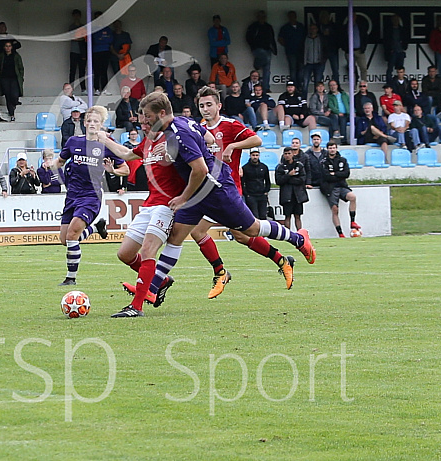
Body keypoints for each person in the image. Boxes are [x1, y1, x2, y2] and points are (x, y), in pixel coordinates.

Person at [113, 92, 315, 317]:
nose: (145, 121)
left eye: (148, 116)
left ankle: (298, 239)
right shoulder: (184, 122)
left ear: (162, 113)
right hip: (197, 193)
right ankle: (152, 289)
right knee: (175, 237)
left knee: (251, 229)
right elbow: (209, 139)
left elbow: (201, 170)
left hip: (215, 190)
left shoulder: (179, 134)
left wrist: (183, 197)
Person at [192, 86, 296, 296]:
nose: (205, 109)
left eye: (209, 105)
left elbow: (257, 140)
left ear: (219, 106)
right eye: (202, 105)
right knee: (217, 233)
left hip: (228, 190)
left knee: (243, 233)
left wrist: (233, 146)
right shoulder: (198, 128)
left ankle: (285, 253)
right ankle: (225, 271)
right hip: (209, 191)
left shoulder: (229, 125)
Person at [96, 108, 182, 316]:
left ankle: (136, 307)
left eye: (147, 123)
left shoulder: (173, 139)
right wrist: (105, 139)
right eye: (141, 124)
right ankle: (159, 280)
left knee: (148, 251)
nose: (144, 127)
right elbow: (126, 153)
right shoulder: (147, 144)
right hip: (149, 203)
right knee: (124, 254)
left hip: (167, 205)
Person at [52, 105, 129, 286]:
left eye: (96, 121)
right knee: (64, 239)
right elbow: (61, 160)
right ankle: (96, 228)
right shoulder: (73, 142)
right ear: (84, 123)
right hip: (72, 196)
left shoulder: (106, 145)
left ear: (102, 124)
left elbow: (125, 169)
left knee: (72, 235)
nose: (92, 124)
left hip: (91, 196)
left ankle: (71, 278)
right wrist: (50, 164)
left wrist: (113, 171)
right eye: (90, 120)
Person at [320, 142, 360, 238]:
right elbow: (326, 176)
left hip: (342, 186)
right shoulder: (324, 162)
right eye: (330, 148)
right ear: (327, 149)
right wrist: (338, 175)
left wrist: (335, 174)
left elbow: (346, 174)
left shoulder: (342, 160)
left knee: (352, 197)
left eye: (334, 148)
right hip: (330, 188)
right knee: (335, 210)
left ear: (336, 148)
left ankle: (353, 221)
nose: (332, 149)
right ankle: (340, 233)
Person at [276, 146, 308, 230]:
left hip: (297, 195)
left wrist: (289, 179)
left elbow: (302, 179)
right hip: (286, 195)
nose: (287, 155)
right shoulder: (280, 167)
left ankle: (300, 234)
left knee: (298, 216)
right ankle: (288, 235)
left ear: (293, 154)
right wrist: (289, 175)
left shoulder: (299, 165)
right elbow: (278, 181)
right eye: (285, 154)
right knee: (287, 216)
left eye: (289, 153)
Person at [245, 10, 277, 92]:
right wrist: (253, 45)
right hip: (257, 49)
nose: (262, 18)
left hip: (267, 49)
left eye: (263, 16)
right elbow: (248, 37)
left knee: (267, 70)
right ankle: (257, 64)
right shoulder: (253, 26)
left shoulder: (268, 26)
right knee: (266, 59)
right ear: (257, 17)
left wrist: (274, 49)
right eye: (260, 16)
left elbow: (272, 38)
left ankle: (266, 88)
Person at [278, 11, 306, 90]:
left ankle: (299, 85)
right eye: (290, 16)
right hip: (291, 52)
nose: (292, 17)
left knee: (301, 69)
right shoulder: (285, 27)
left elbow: (306, 38)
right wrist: (288, 45)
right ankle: (294, 87)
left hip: (301, 52)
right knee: (293, 69)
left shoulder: (301, 26)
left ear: (296, 16)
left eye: (293, 16)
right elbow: (280, 39)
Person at [241, 147, 271, 220]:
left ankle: (263, 231)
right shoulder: (245, 168)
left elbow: (267, 181)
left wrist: (266, 191)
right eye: (253, 155)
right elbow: (242, 182)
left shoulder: (264, 167)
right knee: (255, 216)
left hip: (262, 195)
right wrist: (247, 194)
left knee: (263, 216)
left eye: (256, 155)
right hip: (251, 195)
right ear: (250, 156)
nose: (255, 157)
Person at [0, 41, 24, 122]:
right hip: (5, 78)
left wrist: (21, 76)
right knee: (7, 96)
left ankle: (14, 103)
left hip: (14, 78)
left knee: (14, 94)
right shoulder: (2, 56)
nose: (8, 48)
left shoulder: (16, 56)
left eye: (9, 46)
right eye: (6, 46)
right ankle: (11, 113)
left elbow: (21, 67)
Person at [91, 11, 113, 96]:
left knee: (104, 71)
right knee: (96, 71)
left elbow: (110, 40)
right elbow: (96, 40)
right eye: (97, 17)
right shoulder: (93, 29)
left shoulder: (107, 29)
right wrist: (104, 39)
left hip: (105, 52)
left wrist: (102, 39)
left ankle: (104, 89)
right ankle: (96, 89)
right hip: (96, 52)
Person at [383, 15, 408, 84]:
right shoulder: (388, 30)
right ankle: (389, 84)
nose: (396, 21)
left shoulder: (402, 29)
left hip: (400, 51)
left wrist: (404, 47)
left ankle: (399, 83)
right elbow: (386, 41)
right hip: (392, 52)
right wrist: (389, 50)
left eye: (397, 20)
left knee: (400, 69)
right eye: (394, 20)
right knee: (390, 69)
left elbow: (405, 39)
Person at [302, 23, 324, 98]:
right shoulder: (306, 38)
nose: (313, 30)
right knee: (305, 83)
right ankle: (304, 102)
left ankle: (316, 101)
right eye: (311, 28)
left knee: (318, 84)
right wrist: (304, 62)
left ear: (317, 29)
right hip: (308, 63)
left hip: (318, 63)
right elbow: (304, 50)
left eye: (314, 28)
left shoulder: (320, 38)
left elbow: (323, 50)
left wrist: (322, 60)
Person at [318, 9, 340, 84]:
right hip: (322, 51)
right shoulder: (318, 26)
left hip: (333, 50)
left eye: (326, 16)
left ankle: (338, 87)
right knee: (320, 70)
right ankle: (319, 88)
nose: (324, 18)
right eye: (322, 17)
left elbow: (338, 37)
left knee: (335, 70)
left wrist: (330, 34)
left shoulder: (333, 25)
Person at [345, 13, 368, 84]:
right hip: (349, 51)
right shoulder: (345, 27)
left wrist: (363, 48)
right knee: (352, 69)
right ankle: (353, 86)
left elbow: (365, 37)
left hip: (359, 50)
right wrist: (345, 49)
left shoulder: (360, 26)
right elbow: (341, 39)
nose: (352, 18)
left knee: (363, 68)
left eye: (353, 16)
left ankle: (364, 85)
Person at [68, 9, 87, 93]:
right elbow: (72, 37)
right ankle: (70, 89)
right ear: (73, 16)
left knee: (82, 71)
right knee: (72, 70)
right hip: (74, 51)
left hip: (82, 51)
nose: (76, 17)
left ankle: (83, 88)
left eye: (78, 15)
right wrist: (80, 38)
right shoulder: (71, 27)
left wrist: (80, 38)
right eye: (75, 15)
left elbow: (86, 38)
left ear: (80, 16)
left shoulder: (84, 27)